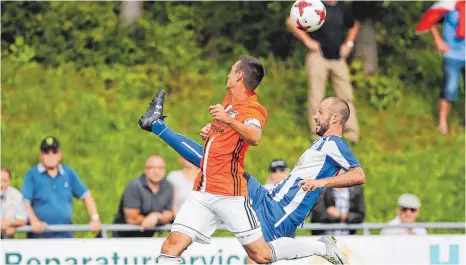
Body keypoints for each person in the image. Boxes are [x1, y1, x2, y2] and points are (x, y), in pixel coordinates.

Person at [139, 83, 365, 263]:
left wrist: (321, 182)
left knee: (258, 258)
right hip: (270, 198)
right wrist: (215, 139)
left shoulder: (335, 143)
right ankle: (157, 125)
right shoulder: (320, 144)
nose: (315, 116)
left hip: (282, 213)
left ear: (335, 118)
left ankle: (322, 247)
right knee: (217, 163)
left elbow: (358, 175)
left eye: (321, 112)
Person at [286, 0, 361, 143]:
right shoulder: (314, 5)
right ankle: (318, 135)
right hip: (318, 57)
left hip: (338, 58)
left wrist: (349, 44)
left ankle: (352, 134)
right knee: (316, 97)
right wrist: (307, 41)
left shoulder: (341, 7)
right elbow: (291, 21)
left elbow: (354, 25)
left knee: (346, 96)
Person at [21, 136, 101, 238]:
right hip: (40, 238)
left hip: (65, 236)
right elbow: (25, 201)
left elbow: (86, 196)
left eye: (54, 151)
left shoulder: (68, 173)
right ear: (41, 155)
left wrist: (95, 218)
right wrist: (34, 221)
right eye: (46, 152)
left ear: (59, 154)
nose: (50, 155)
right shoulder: (32, 175)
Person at [416, 1, 465, 135]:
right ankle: (442, 124)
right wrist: (438, 40)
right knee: (450, 88)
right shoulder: (449, 4)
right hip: (452, 55)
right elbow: (429, 19)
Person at [112, 155, 174, 237]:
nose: (156, 171)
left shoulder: (168, 186)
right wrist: (149, 220)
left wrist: (157, 217)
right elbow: (131, 218)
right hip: (124, 237)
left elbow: (169, 214)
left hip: (148, 238)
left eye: (160, 168)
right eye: (152, 168)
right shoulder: (134, 186)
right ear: (145, 170)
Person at [1, 167, 27, 239]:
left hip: (6, 239)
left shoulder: (16, 195)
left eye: (4, 181)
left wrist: (11, 223)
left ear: (9, 182)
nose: (1, 185)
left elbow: (23, 219)